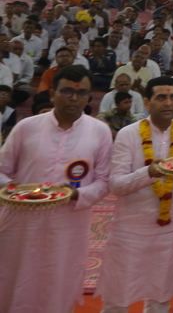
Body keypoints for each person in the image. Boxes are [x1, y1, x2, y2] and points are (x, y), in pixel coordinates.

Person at [0, 65, 113, 313]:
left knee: (58, 281)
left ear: (89, 97)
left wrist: (77, 194)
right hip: (22, 223)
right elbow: (2, 169)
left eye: (82, 93)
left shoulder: (100, 131)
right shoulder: (27, 127)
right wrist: (11, 189)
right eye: (67, 91)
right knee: (15, 280)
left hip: (68, 225)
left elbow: (104, 182)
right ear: (52, 93)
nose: (74, 98)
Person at [96, 76, 173, 313]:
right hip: (131, 228)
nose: (169, 103)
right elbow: (116, 185)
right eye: (161, 97)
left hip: (171, 227)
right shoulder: (128, 134)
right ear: (146, 102)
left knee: (161, 296)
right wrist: (148, 173)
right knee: (117, 296)